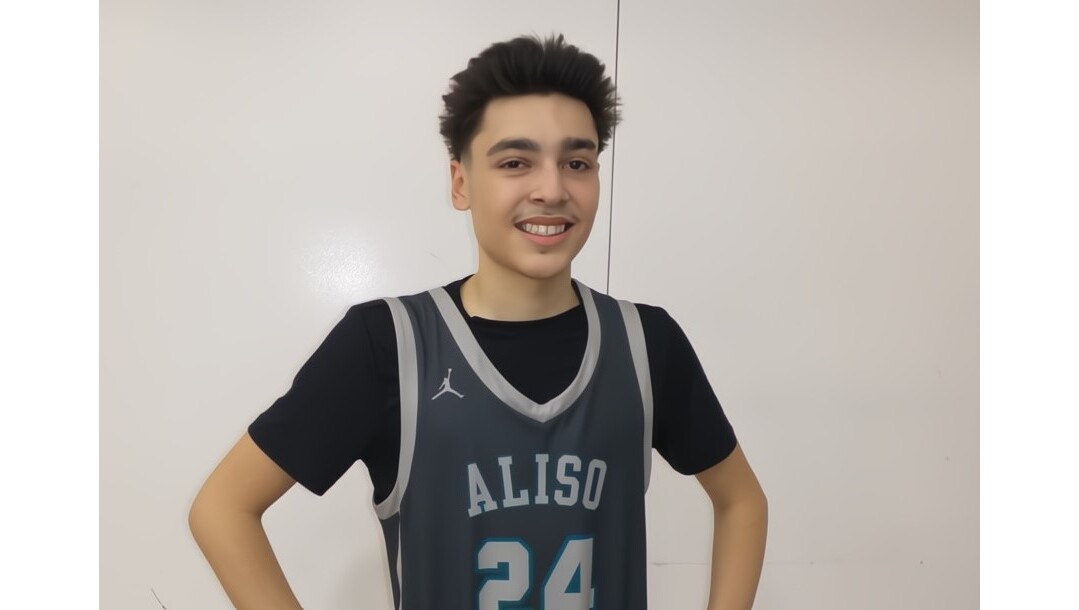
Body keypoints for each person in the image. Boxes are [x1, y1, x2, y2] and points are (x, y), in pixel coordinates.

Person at [189, 32, 768, 610]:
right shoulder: (389, 344)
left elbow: (742, 500)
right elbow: (222, 509)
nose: (552, 189)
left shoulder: (646, 343)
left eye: (577, 162)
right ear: (461, 182)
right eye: (516, 162)